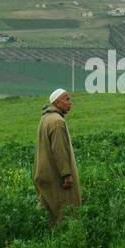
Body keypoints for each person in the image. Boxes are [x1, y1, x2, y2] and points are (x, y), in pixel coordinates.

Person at [33, 88, 80, 225]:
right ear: (58, 102)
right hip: (55, 176)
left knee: (47, 212)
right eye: (67, 99)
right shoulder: (57, 122)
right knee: (65, 212)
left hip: (43, 173)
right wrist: (66, 174)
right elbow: (59, 150)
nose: (70, 103)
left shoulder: (45, 118)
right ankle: (64, 240)